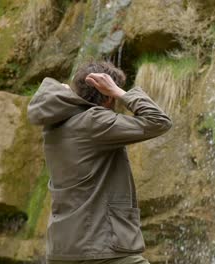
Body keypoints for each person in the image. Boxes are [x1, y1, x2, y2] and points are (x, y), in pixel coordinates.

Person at [27, 62, 172, 264]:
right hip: (102, 248)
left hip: (62, 249)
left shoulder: (54, 126)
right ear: (107, 95)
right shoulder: (95, 121)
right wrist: (121, 92)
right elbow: (159, 121)